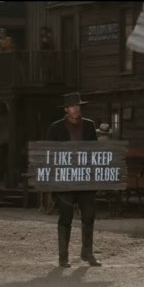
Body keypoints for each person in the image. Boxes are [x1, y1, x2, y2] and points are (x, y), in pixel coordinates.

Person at [46, 92, 101, 267]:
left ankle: (87, 252)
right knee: (65, 217)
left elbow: (95, 153)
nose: (77, 109)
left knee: (89, 215)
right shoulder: (55, 128)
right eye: (73, 106)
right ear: (66, 109)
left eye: (79, 106)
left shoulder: (90, 126)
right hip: (65, 181)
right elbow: (49, 154)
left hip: (85, 179)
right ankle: (63, 257)